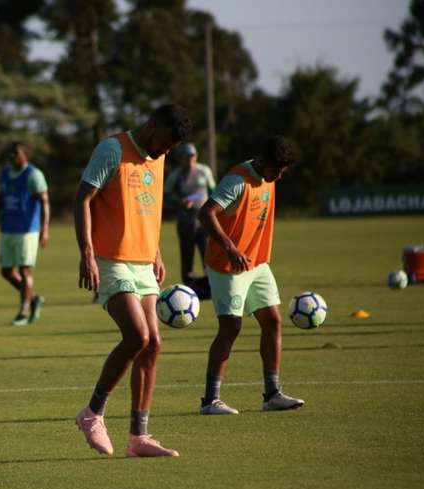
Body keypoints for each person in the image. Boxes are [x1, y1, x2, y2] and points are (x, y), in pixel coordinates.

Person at [74, 104, 192, 458]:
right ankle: (92, 413)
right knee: (137, 336)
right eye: (166, 142)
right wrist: (87, 253)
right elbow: (82, 198)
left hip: (143, 262)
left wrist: (155, 251)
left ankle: (138, 437)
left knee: (153, 343)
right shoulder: (112, 150)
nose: (166, 151)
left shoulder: (158, 154)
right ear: (151, 125)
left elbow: (147, 206)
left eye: (172, 147)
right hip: (111, 260)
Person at [196, 135, 304, 415]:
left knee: (273, 321)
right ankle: (210, 401)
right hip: (227, 265)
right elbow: (206, 213)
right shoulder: (237, 181)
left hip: (257, 263)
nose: (278, 177)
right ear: (263, 161)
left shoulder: (268, 177)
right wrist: (230, 248)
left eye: (283, 172)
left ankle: (272, 394)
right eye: (276, 170)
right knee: (230, 328)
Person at [0, 142, 50, 326]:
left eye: (15, 153)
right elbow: (0, 198)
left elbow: (44, 202)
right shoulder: (5, 173)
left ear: (25, 156)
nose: (12, 156)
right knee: (6, 271)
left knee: (25, 269)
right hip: (8, 229)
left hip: (27, 231)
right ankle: (34, 298)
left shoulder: (33, 175)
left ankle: (23, 312)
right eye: (10, 153)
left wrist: (45, 229)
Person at [164, 142, 215, 298]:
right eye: (186, 157)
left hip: (205, 221)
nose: (190, 159)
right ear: (181, 158)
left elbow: (214, 191)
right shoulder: (176, 175)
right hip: (185, 221)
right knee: (187, 256)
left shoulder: (204, 171)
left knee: (208, 255)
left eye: (192, 156)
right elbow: (166, 196)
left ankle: (211, 287)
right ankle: (190, 290)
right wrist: (180, 202)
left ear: (196, 156)